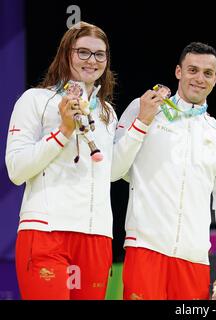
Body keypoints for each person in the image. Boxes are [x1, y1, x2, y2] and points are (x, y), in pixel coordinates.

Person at [113, 42, 216, 300]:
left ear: (215, 79)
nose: (199, 78)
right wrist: (141, 122)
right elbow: (113, 171)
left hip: (194, 259)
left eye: (207, 73)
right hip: (145, 249)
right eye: (192, 69)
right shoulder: (145, 109)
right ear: (178, 72)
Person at [6, 21, 119, 299]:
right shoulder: (35, 100)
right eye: (83, 52)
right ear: (66, 53)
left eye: (99, 54)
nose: (92, 61)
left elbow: (111, 172)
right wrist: (64, 131)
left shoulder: (107, 114)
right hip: (46, 230)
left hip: (96, 235)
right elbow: (17, 170)